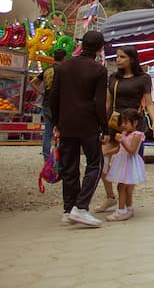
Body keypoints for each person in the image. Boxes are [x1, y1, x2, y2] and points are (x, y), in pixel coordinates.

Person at [50, 31, 107, 227]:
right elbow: (99, 103)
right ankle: (81, 207)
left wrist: (57, 122)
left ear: (81, 44)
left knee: (69, 167)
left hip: (66, 123)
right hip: (88, 123)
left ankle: (68, 210)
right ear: (100, 48)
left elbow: (54, 96)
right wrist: (105, 128)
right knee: (94, 164)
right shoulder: (99, 70)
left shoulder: (63, 66)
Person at [95, 46, 154, 214]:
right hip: (114, 123)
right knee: (102, 160)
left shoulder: (143, 79)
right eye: (117, 57)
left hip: (135, 125)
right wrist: (101, 124)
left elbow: (149, 102)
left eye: (122, 57)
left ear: (131, 59)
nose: (118, 60)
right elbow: (107, 103)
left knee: (130, 164)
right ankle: (111, 196)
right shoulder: (113, 78)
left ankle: (127, 203)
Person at [105, 109, 146, 221]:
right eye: (122, 122)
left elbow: (132, 151)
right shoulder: (124, 133)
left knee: (122, 186)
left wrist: (122, 141)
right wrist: (107, 152)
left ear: (135, 122)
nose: (123, 125)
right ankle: (128, 208)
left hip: (130, 163)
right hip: (122, 162)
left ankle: (121, 210)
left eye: (126, 122)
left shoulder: (137, 135)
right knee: (124, 187)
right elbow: (119, 149)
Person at [30, 49, 66, 161]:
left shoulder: (47, 70)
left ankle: (46, 158)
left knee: (47, 132)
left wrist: (41, 92)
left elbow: (32, 83)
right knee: (62, 132)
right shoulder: (63, 70)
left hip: (46, 103)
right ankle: (60, 158)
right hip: (59, 105)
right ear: (64, 58)